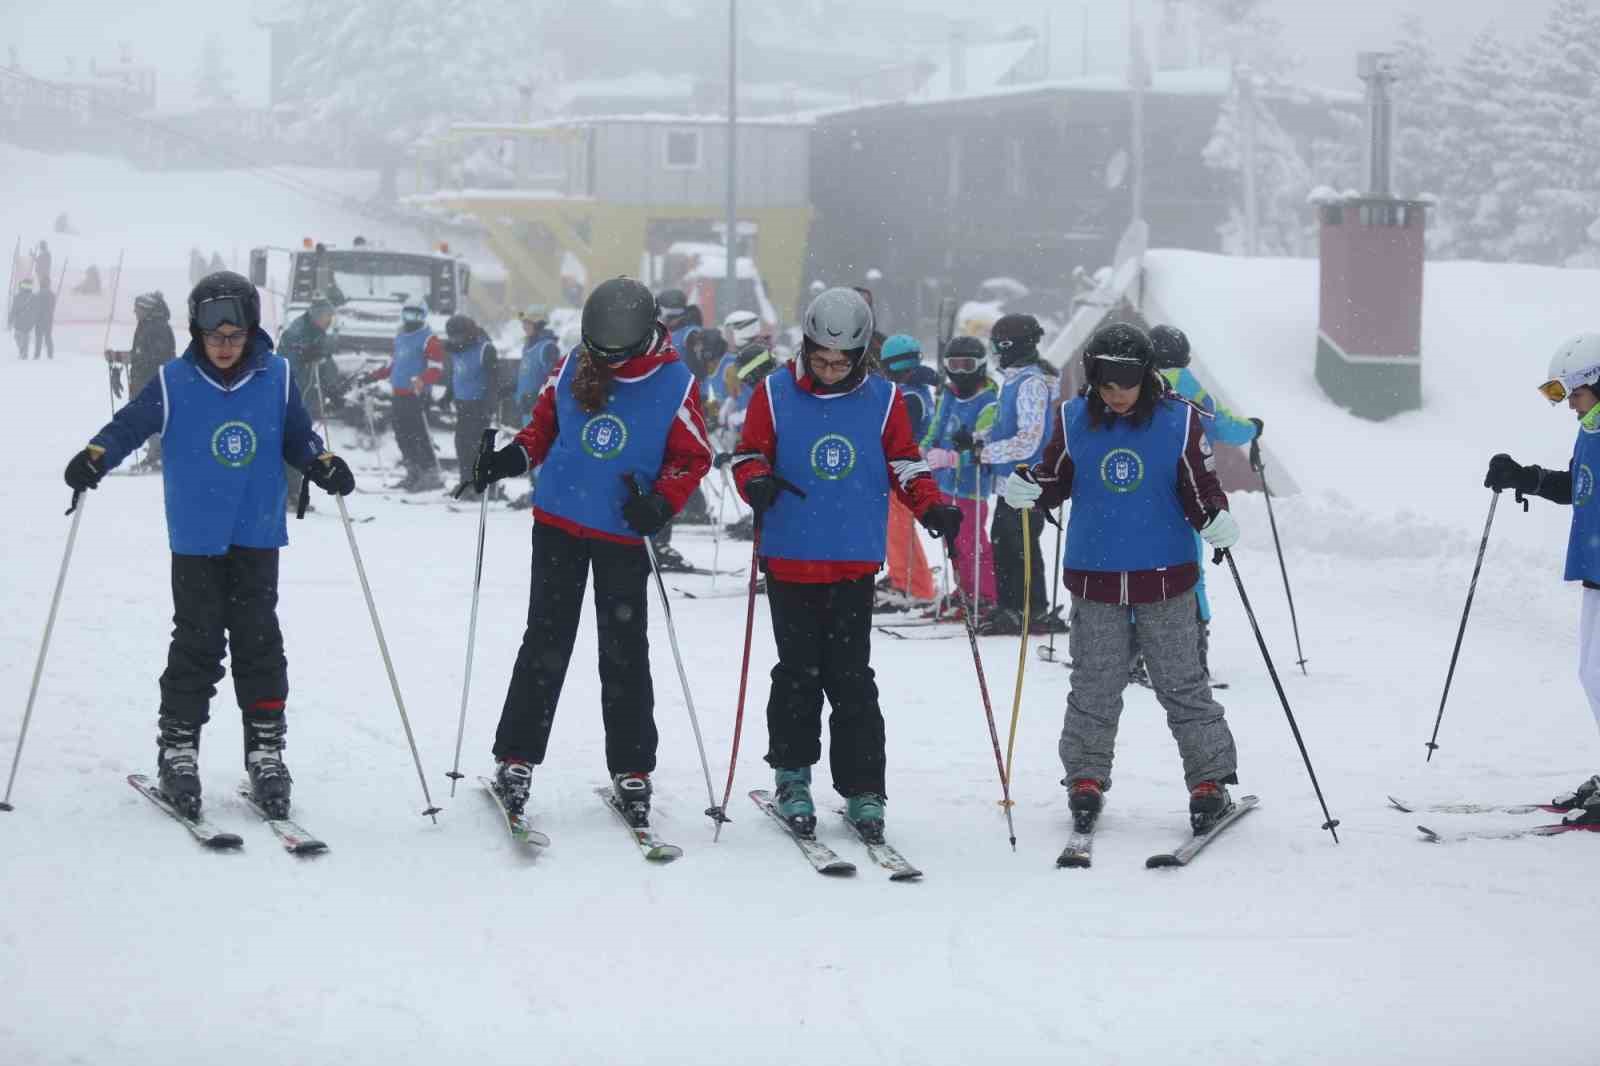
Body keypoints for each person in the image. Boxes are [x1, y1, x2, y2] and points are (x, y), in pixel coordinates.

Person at [61, 271, 356, 820]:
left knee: (258, 640)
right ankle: (178, 749)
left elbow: (298, 435)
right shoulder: (176, 380)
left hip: (256, 530)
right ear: (197, 331)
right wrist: (96, 455)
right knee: (197, 641)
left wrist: (320, 462)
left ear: (249, 330)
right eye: (213, 335)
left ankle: (266, 751)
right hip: (197, 536)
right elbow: (130, 425)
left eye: (234, 335)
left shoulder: (277, 375)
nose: (224, 345)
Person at [458, 277, 713, 827]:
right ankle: (516, 757)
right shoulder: (575, 362)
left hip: (622, 532)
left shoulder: (675, 382)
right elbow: (541, 429)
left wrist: (662, 502)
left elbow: (691, 457)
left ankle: (632, 766)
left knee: (623, 649)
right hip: (558, 523)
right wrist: (508, 461)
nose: (605, 361)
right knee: (545, 641)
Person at [730, 287, 962, 843]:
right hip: (790, 556)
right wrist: (754, 480)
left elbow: (905, 463)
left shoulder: (883, 400)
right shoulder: (773, 391)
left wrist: (931, 504)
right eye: (820, 359)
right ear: (806, 346)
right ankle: (792, 774)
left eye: (841, 362)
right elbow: (747, 453)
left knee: (852, 679)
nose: (829, 370)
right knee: (796, 675)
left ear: (860, 356)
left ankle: (863, 788)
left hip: (853, 560)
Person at [1002, 323, 1241, 834]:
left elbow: (1200, 488)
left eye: (1126, 385)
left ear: (1146, 376)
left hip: (1165, 576)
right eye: (1106, 386)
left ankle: (1210, 780)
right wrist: (1030, 488)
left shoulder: (1181, 421)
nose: (1116, 396)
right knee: (1095, 684)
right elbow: (1055, 476)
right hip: (1096, 576)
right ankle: (1085, 777)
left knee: (1182, 683)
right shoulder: (1074, 418)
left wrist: (1215, 517)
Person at [1484, 332, 1600, 825]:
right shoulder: (1591, 431)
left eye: (1572, 393)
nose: (1569, 405)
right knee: (1592, 676)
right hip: (1595, 573)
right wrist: (1525, 477)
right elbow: (1577, 489)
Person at [1149, 323, 1262, 684]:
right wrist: (1253, 428)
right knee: (1187, 573)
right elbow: (1225, 427)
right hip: (1187, 490)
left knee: (1136, 568)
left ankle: (1135, 654)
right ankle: (1193, 656)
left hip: (1143, 491)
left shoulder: (1135, 382)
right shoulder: (1190, 387)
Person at [976, 313, 1060, 635]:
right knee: (1004, 544)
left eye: (997, 344)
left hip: (1026, 482)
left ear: (1010, 345)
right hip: (1008, 483)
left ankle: (1033, 609)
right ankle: (1009, 607)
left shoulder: (1031, 384)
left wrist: (985, 453)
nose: (995, 350)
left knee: (1021, 545)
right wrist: (981, 441)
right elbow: (1007, 428)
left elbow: (1029, 440)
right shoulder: (1013, 381)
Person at [922, 335, 999, 612]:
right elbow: (936, 429)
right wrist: (923, 452)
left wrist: (954, 458)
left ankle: (985, 596)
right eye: (954, 365)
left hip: (970, 487)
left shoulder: (988, 403)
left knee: (972, 544)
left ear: (979, 366)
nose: (960, 372)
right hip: (944, 484)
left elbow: (984, 447)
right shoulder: (949, 395)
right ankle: (963, 588)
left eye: (967, 365)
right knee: (951, 542)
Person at [878, 333, 940, 605]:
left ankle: (916, 587)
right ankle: (904, 577)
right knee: (895, 529)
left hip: (905, 474)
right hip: (904, 472)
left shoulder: (909, 397)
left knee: (899, 529)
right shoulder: (911, 391)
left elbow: (902, 438)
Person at [370, 297, 445, 492]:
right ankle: (413, 471)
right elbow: (392, 364)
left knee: (419, 435)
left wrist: (422, 379)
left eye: (416, 314)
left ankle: (430, 473)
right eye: (407, 313)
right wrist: (372, 376)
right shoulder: (400, 336)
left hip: (417, 395)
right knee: (402, 435)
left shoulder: (429, 338)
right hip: (398, 393)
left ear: (424, 315)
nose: (411, 318)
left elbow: (436, 368)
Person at [105, 291, 178, 472]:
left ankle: (158, 456)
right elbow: (140, 354)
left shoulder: (158, 328)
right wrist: (118, 358)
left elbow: (153, 357)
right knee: (148, 419)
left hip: (153, 382)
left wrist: (121, 357)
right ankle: (157, 452)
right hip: (144, 380)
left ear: (146, 309)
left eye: (137, 308)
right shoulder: (147, 326)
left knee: (150, 419)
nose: (134, 312)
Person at [277, 299, 340, 508]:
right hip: (292, 398)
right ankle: (286, 494)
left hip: (308, 398)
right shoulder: (298, 330)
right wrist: (304, 355)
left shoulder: (318, 333)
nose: (327, 321)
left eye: (330, 317)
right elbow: (287, 360)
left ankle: (294, 493)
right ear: (314, 315)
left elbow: (326, 363)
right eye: (324, 317)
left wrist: (335, 389)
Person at [504, 305, 561, 509]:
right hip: (526, 410)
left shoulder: (547, 347)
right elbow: (528, 374)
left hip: (540, 410)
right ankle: (537, 490)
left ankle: (546, 493)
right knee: (531, 452)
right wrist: (512, 388)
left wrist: (537, 395)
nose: (524, 327)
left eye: (527, 323)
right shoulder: (528, 346)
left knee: (541, 452)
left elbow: (555, 378)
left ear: (538, 324)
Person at [442, 314, 499, 499]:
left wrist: (490, 404)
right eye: (451, 336)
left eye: (457, 335)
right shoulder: (456, 350)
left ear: (467, 333)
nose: (454, 340)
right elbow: (455, 376)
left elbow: (493, 379)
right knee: (461, 445)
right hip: (462, 405)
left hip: (479, 406)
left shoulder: (485, 349)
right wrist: (447, 396)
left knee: (477, 447)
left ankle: (482, 486)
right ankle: (466, 482)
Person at [9, 276, 35, 358]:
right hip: (26, 321)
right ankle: (23, 351)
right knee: (21, 337)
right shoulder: (33, 297)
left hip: (21, 321)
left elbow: (13, 309)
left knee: (19, 336)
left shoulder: (20, 296)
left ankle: (23, 353)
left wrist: (10, 320)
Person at [30, 278, 55, 359]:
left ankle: (37, 355)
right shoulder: (52, 295)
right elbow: (52, 307)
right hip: (48, 319)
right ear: (48, 284)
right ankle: (50, 354)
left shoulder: (37, 295)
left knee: (38, 338)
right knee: (48, 337)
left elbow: (34, 308)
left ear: (41, 284)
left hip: (39, 319)